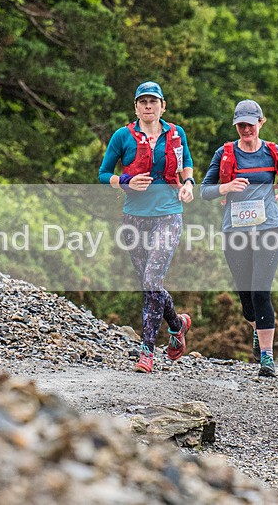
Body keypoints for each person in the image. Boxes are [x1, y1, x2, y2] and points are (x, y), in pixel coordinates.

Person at [98, 81, 195, 373]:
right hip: (134, 216)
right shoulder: (122, 136)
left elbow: (186, 162)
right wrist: (126, 181)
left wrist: (189, 182)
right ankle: (178, 325)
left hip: (168, 213)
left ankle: (147, 353)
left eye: (153, 101)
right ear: (136, 107)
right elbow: (104, 174)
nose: (148, 106)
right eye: (143, 102)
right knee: (148, 285)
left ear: (162, 106)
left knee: (152, 279)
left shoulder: (176, 133)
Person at [200, 99, 278, 376]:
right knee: (247, 297)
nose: (246, 129)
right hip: (235, 231)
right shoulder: (224, 153)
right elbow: (204, 190)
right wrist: (227, 187)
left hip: (269, 227)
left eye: (250, 124)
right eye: (241, 125)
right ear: (236, 126)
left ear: (261, 122)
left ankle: (267, 357)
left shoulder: (274, 152)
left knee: (261, 291)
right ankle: (256, 330)